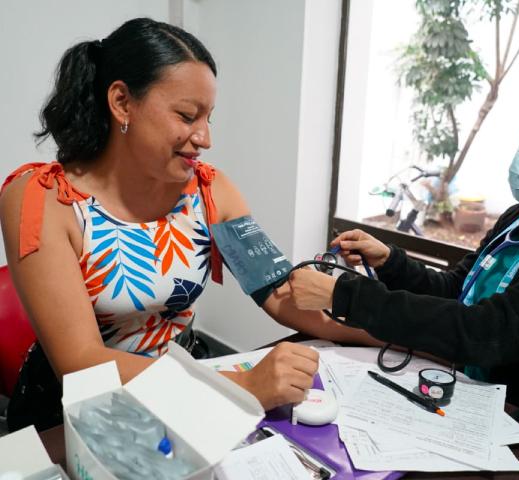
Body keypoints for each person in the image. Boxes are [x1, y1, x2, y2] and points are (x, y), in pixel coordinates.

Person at [0, 17, 375, 433]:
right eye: (187, 115)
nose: (204, 138)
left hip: (182, 387)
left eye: (208, 117)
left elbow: (282, 293)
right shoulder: (42, 198)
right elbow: (80, 362)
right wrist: (240, 386)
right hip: (71, 415)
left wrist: (384, 331)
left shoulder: (210, 192)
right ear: (122, 102)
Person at [286, 75, 519, 452]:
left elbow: (486, 330)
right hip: (490, 409)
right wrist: (390, 261)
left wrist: (345, 295)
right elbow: (459, 290)